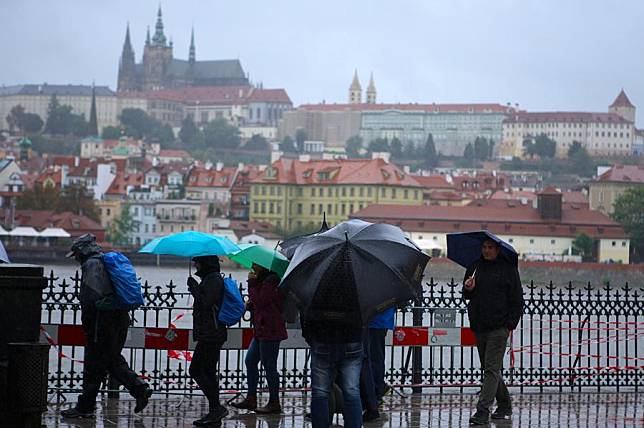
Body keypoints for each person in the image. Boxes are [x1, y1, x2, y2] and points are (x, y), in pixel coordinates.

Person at [61, 234, 152, 418]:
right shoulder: (103, 261)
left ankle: (88, 406)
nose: (76, 258)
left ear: (82, 251)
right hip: (118, 319)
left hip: (102, 322)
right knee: (109, 360)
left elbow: (90, 298)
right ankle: (136, 388)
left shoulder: (91, 265)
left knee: (95, 364)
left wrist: (87, 323)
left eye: (77, 254)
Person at [462, 239, 524, 425]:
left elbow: (517, 300)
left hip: (499, 328)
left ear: (497, 250)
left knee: (490, 369)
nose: (486, 251)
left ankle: (482, 410)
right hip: (479, 325)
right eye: (484, 247)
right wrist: (468, 288)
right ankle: (504, 403)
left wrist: (509, 325)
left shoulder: (508, 270)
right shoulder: (475, 267)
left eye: (490, 248)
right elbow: (467, 294)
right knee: (491, 369)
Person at [303, 251, 363, 428]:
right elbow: (365, 313)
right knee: (352, 391)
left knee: (320, 392)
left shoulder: (318, 279)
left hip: (323, 339)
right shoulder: (359, 280)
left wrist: (311, 337)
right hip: (352, 340)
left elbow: (307, 312)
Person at [231, 264, 287, 414]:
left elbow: (262, 300)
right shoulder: (264, 281)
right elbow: (261, 303)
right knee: (250, 360)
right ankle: (251, 398)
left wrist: (251, 283)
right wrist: (251, 304)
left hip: (270, 329)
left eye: (255, 264)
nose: (253, 266)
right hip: (261, 329)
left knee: (269, 365)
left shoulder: (272, 280)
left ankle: (274, 402)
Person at [187, 255, 229, 426]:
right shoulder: (210, 279)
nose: (195, 265)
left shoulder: (213, 280)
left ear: (205, 263)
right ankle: (214, 411)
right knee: (209, 372)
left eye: (197, 262)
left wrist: (195, 288)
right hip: (211, 332)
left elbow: (206, 302)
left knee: (196, 370)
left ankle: (216, 408)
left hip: (211, 333)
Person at [368, 307, 395, 405]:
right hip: (379, 320)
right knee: (375, 356)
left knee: (374, 357)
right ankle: (378, 388)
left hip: (375, 320)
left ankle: (377, 390)